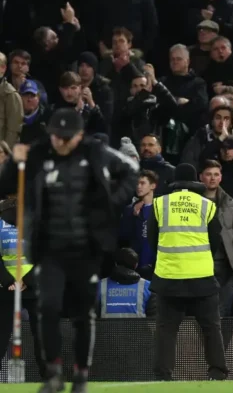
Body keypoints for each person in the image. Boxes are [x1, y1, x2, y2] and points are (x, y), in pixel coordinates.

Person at [1, 108, 138, 393]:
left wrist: (113, 202)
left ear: (79, 135)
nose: (61, 143)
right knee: (48, 309)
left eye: (67, 137)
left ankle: (80, 375)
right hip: (50, 249)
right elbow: (5, 183)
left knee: (82, 314)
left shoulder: (96, 151)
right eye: (57, 137)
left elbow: (132, 170)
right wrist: (15, 163)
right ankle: (52, 373)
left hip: (85, 249)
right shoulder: (38, 152)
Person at [148, 162, 228, 381]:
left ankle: (163, 376)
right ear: (196, 181)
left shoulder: (159, 204)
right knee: (211, 327)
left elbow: (152, 240)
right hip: (201, 277)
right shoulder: (207, 205)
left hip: (169, 277)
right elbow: (215, 241)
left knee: (165, 330)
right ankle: (217, 371)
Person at [0, 195, 45, 378]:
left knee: (1, 336)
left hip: (6, 288)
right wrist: (27, 280)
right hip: (33, 288)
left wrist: (10, 281)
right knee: (41, 336)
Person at [98, 247, 156, 317]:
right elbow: (153, 320)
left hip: (105, 328)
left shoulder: (100, 285)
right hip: (137, 328)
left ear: (116, 264)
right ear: (136, 265)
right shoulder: (149, 287)